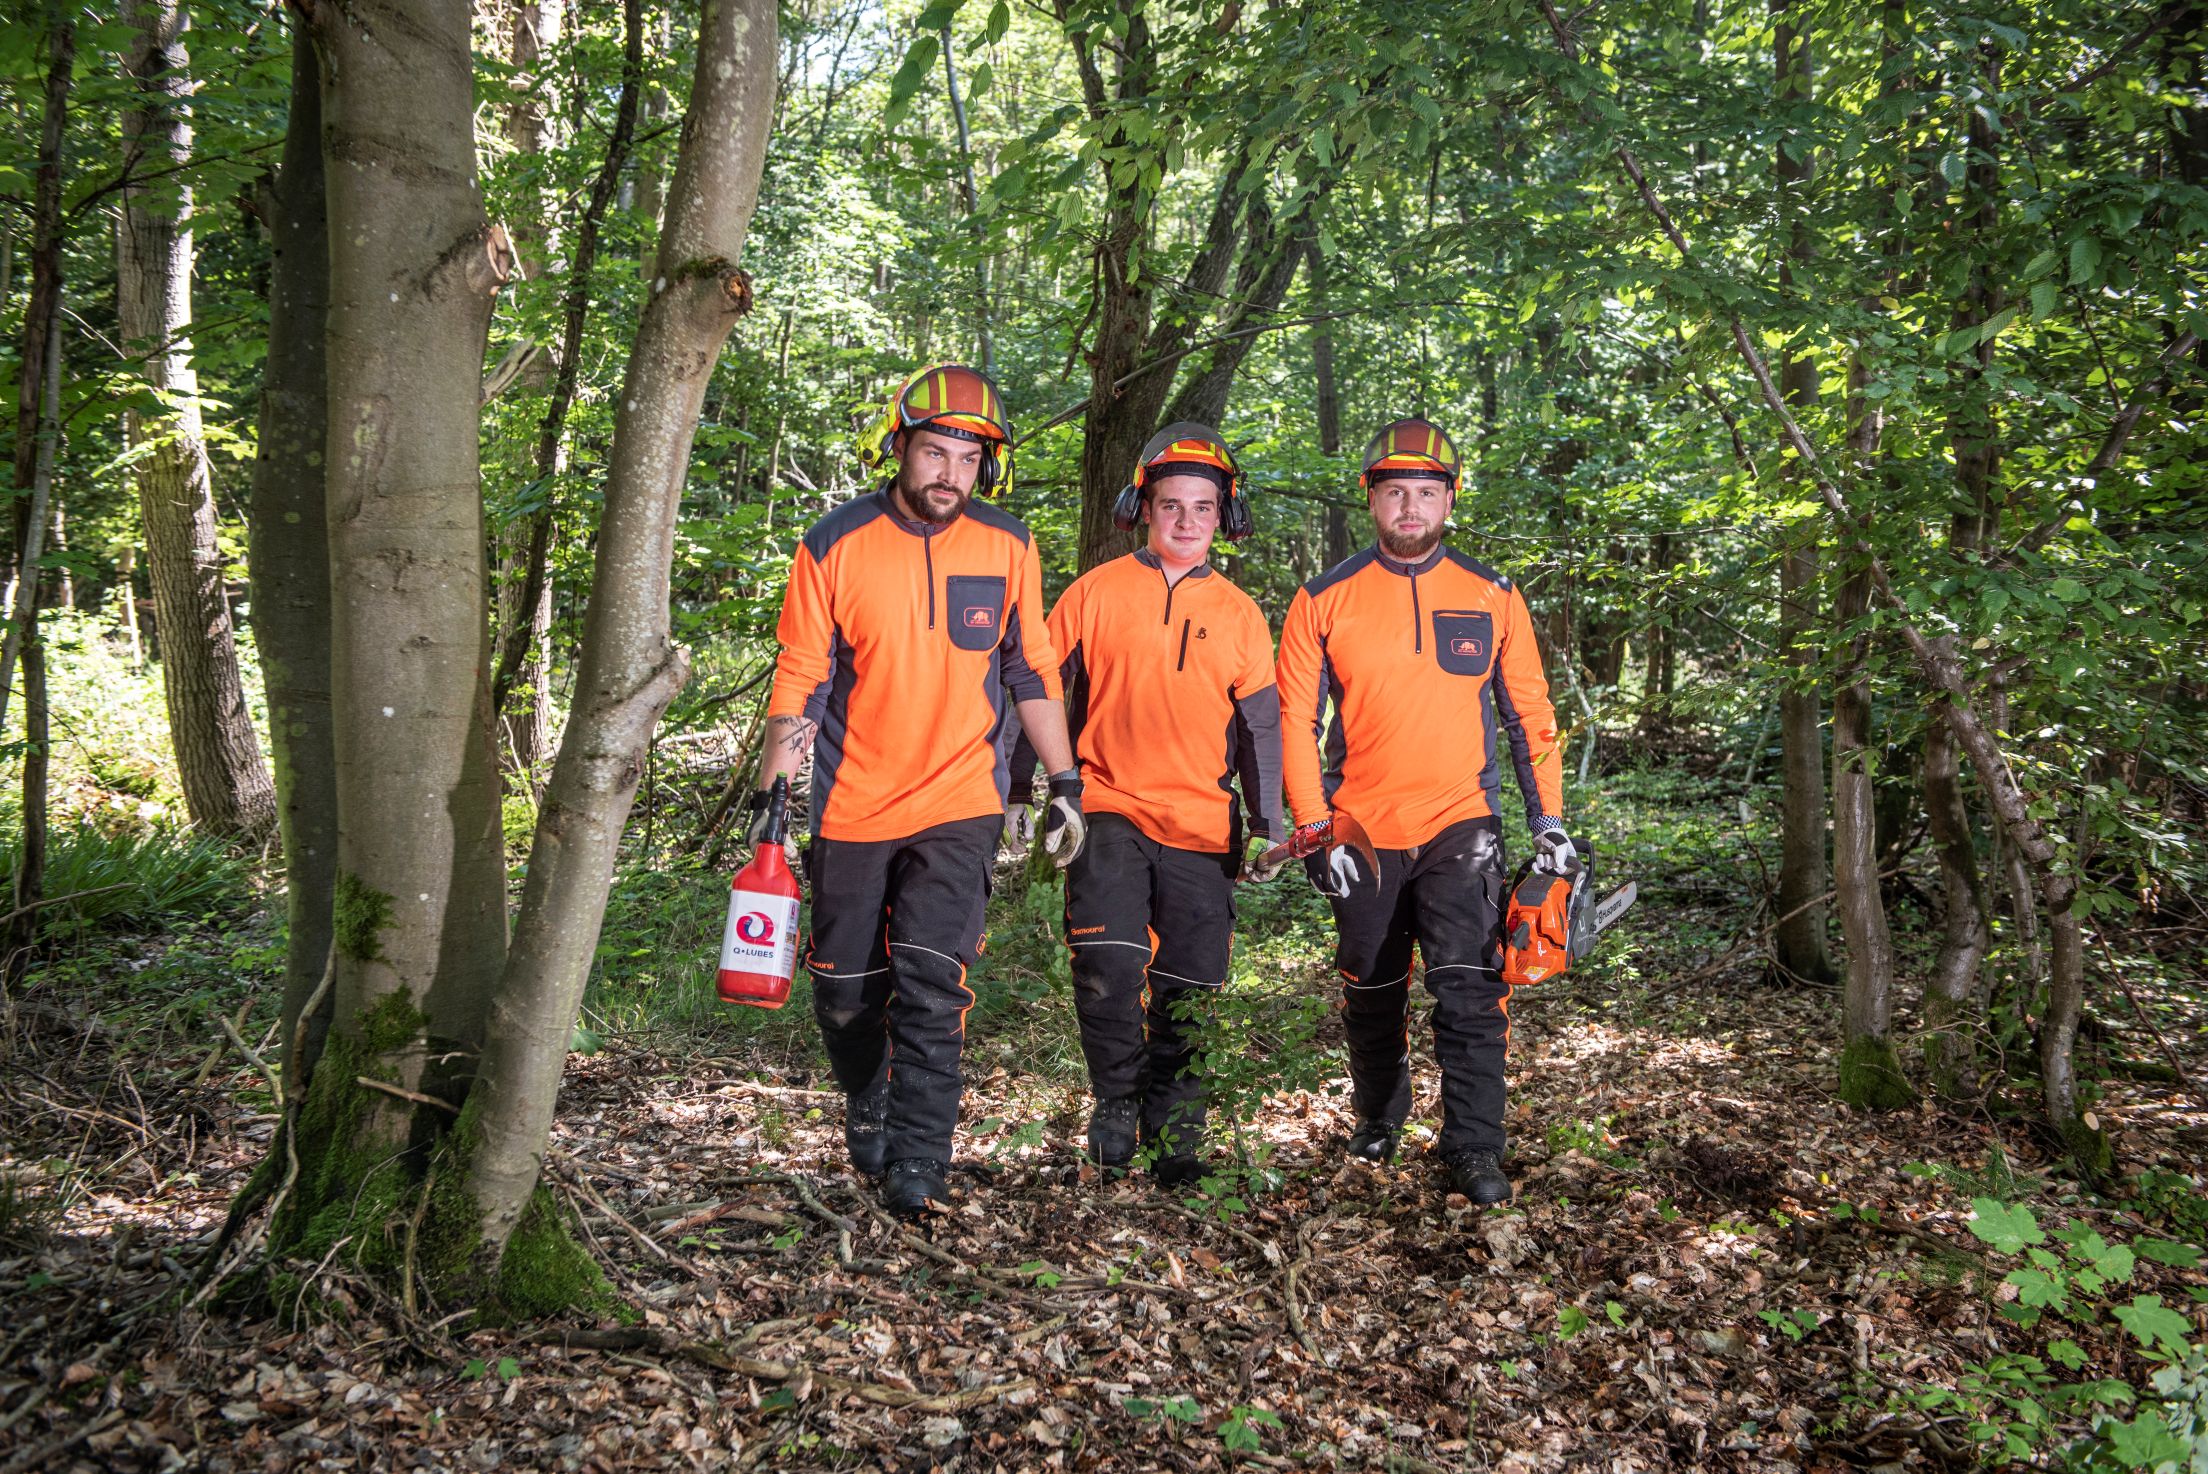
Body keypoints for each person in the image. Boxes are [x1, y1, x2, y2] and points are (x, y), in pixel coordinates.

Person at [754, 364, 1086, 1217]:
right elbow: (800, 676)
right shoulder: (833, 543)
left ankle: (919, 1159)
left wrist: (1064, 781)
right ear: (899, 449)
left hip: (960, 801)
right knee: (844, 990)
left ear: (987, 468)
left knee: (935, 982)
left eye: (968, 460)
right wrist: (774, 799)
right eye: (935, 452)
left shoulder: (1008, 544)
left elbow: (1031, 668)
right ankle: (865, 1097)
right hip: (851, 802)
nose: (949, 474)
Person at [1273, 417, 1575, 1205]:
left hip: (1461, 821)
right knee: (1371, 986)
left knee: (1471, 987)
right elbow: (1293, 725)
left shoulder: (1494, 594)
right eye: (1396, 491)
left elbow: (1529, 716)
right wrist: (1311, 826)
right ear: (1371, 498)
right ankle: (1379, 1116)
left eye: (1427, 492)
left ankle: (1474, 1145)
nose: (1412, 507)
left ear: (1449, 500)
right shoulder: (1321, 599)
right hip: (1361, 830)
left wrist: (1551, 820)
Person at [1010, 424, 1284, 1184]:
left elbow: (1262, 729)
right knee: (1107, 961)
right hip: (1107, 805)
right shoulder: (1094, 592)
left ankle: (1178, 1129)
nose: (1187, 521)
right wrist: (1017, 787)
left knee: (1191, 984)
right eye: (1172, 505)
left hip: (1201, 820)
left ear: (1224, 517)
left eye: (1203, 507)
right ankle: (1116, 1104)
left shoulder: (1241, 613)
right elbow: (1035, 687)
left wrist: (1269, 827)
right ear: (1145, 508)